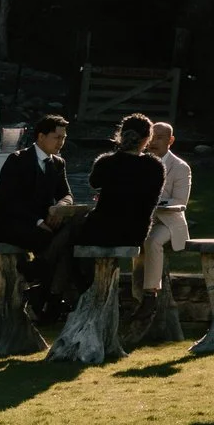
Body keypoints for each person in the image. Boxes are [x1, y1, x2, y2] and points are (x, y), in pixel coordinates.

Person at [45, 114, 165, 306]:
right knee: (72, 234)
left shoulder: (107, 162)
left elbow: (94, 183)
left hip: (102, 228)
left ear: (120, 135)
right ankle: (57, 293)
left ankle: (61, 290)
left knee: (69, 236)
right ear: (146, 138)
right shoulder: (155, 166)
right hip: (135, 231)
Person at [0, 113, 74, 303]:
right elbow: (8, 200)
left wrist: (60, 207)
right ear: (41, 136)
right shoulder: (18, 160)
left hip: (41, 221)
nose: (61, 142)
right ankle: (47, 292)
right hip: (9, 221)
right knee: (52, 241)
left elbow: (67, 194)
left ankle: (41, 283)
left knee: (72, 233)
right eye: (57, 137)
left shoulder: (58, 163)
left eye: (63, 138)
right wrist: (38, 222)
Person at [134, 120, 191, 322]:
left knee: (152, 241)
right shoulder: (140, 162)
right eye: (152, 137)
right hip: (144, 219)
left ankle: (150, 294)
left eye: (160, 138)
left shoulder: (180, 167)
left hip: (169, 222)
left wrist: (153, 202)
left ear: (171, 140)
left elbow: (180, 201)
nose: (154, 142)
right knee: (135, 240)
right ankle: (136, 295)